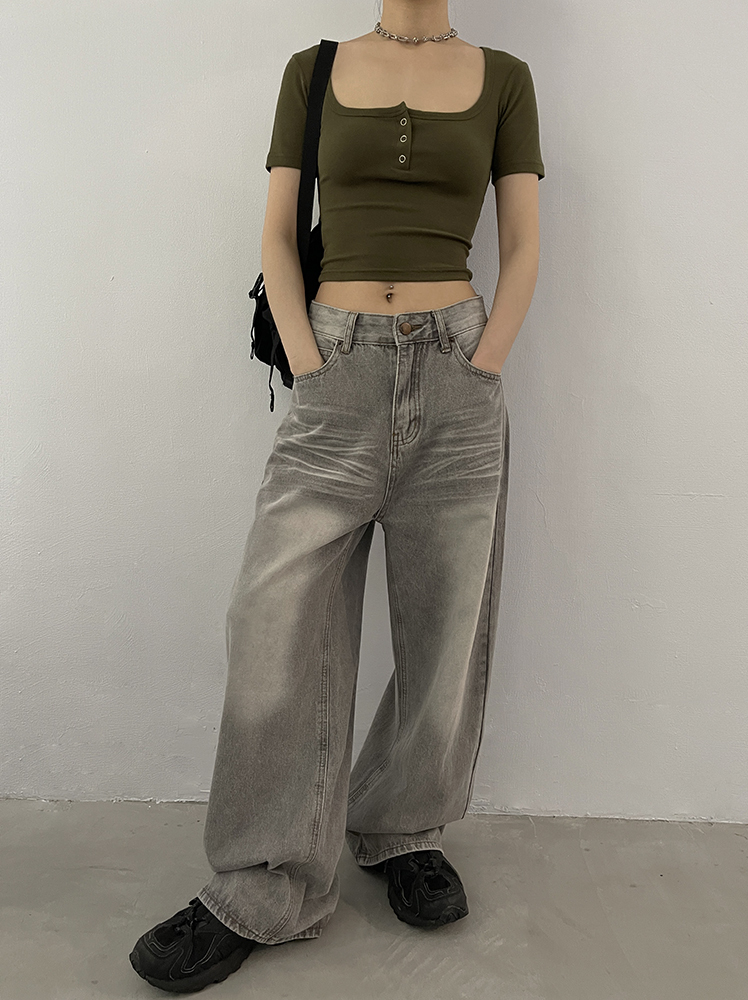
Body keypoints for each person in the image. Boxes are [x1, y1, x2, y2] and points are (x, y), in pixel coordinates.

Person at [129, 0, 545, 992]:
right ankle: (264, 881)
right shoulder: (312, 72)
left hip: (457, 376)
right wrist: (312, 365)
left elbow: (525, 243)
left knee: (444, 627)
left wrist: (483, 363)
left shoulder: (505, 77)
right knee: (273, 621)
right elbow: (277, 234)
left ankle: (402, 827)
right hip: (336, 372)